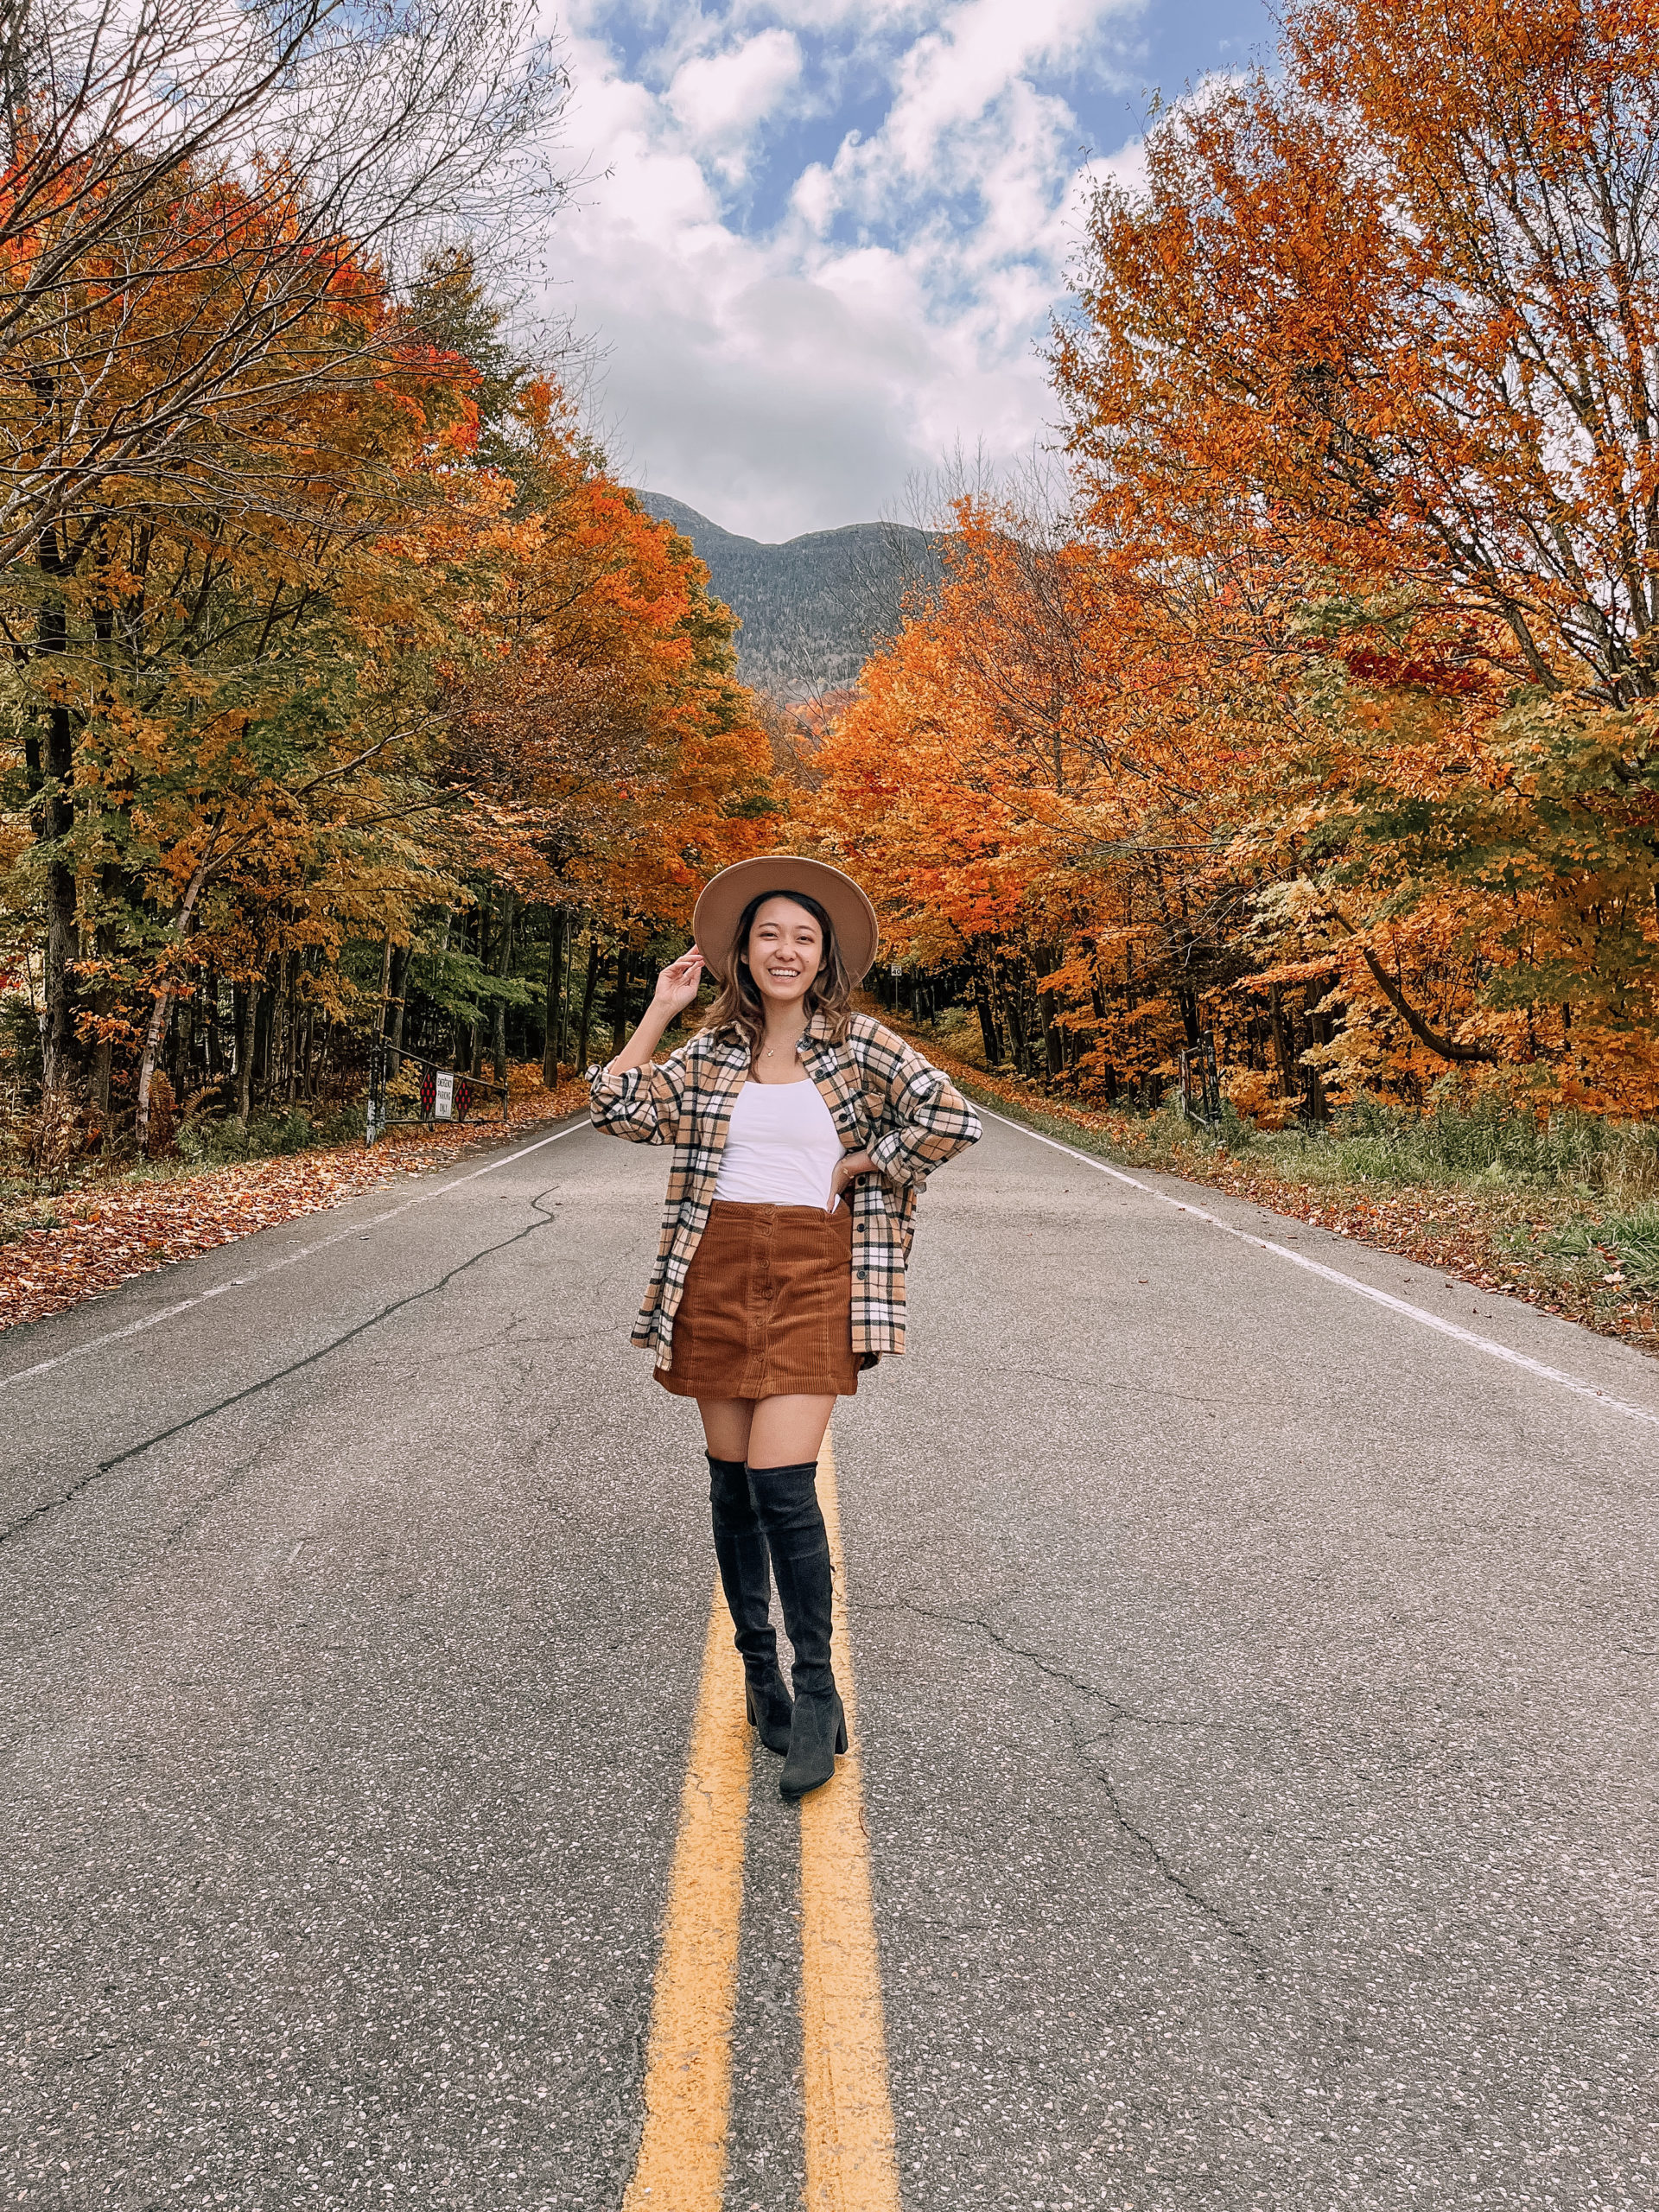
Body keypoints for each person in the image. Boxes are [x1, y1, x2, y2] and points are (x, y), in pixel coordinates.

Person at [588, 855, 981, 1799]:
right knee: (733, 1488)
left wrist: (870, 1161)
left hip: (813, 1274)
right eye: (769, 934)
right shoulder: (708, 1055)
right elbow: (615, 1106)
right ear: (742, 951)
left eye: (803, 937)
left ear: (824, 956)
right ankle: (758, 1675)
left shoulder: (860, 1046)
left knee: (781, 1482)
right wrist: (659, 1010)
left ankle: (815, 1689)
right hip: (714, 1270)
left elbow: (953, 1116)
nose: (786, 950)